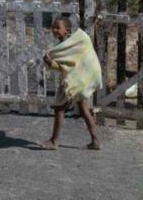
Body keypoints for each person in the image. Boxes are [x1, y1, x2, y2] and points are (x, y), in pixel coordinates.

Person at [38, 17, 102, 150]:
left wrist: (51, 61)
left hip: (76, 80)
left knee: (59, 108)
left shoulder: (76, 42)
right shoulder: (62, 47)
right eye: (53, 28)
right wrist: (52, 62)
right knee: (84, 110)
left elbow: (79, 55)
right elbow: (65, 66)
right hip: (80, 80)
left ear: (66, 30)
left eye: (57, 28)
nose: (54, 30)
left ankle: (54, 141)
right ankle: (95, 141)